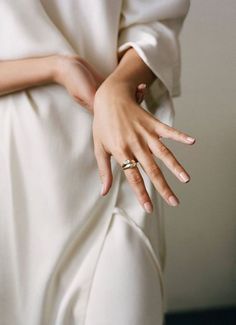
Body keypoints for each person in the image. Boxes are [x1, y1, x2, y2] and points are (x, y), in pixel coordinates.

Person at [0, 0, 194, 324]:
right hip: (15, 160)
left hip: (113, 144)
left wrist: (119, 85)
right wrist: (56, 67)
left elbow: (157, 18)